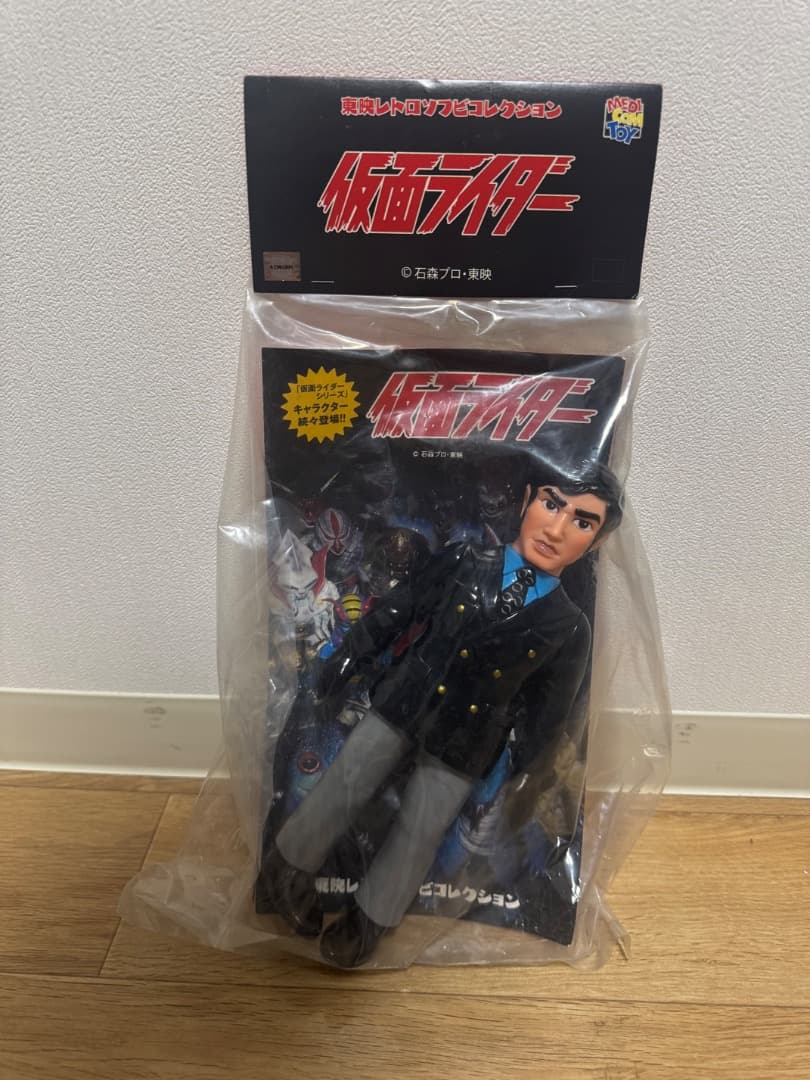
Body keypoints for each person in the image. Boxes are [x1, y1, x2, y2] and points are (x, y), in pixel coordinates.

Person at [260, 463, 623, 967]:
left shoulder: (569, 627)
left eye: (583, 521)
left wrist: (527, 770)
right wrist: (350, 654)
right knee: (344, 783)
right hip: (405, 698)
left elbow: (549, 711)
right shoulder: (463, 560)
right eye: (551, 503)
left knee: (421, 829)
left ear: (597, 541)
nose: (557, 528)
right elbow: (400, 609)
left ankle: (371, 918)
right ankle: (285, 870)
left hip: (469, 736)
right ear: (525, 501)